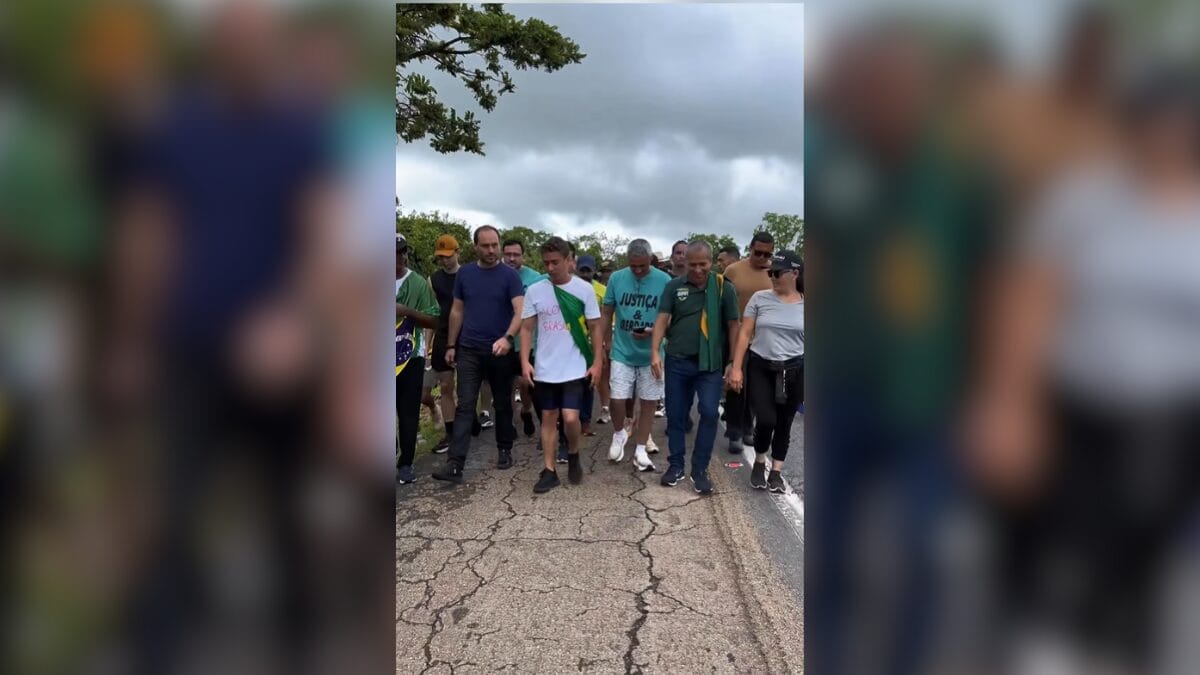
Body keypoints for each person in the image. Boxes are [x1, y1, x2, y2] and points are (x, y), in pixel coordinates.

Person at [432, 225, 524, 483]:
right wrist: (451, 345)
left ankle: (505, 448)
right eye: (486, 246)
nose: (492, 250)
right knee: (465, 405)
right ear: (476, 247)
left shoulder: (510, 276)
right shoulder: (466, 275)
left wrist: (507, 338)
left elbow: (520, 312)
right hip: (469, 349)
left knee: (503, 402)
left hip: (500, 350)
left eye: (495, 245)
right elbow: (457, 311)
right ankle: (455, 463)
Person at [650, 241, 739, 494]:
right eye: (693, 264)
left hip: (710, 365)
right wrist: (655, 351)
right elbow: (661, 319)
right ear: (685, 262)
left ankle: (700, 469)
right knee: (676, 416)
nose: (698, 269)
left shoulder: (723, 288)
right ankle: (676, 465)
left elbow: (734, 325)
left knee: (710, 413)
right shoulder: (673, 287)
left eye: (703, 264)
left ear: (710, 262)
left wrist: (733, 362)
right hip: (678, 361)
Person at [519, 237, 603, 493]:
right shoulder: (535, 290)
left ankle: (574, 452)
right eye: (546, 263)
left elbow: (595, 328)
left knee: (570, 418)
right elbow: (526, 328)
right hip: (545, 367)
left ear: (569, 261)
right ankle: (549, 470)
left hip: (575, 366)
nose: (550, 268)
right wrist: (525, 361)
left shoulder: (584, 290)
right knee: (548, 416)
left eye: (556, 262)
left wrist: (598, 362)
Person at [727, 251, 803, 492]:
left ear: (794, 274)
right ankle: (760, 462)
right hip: (762, 365)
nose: (772, 277)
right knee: (767, 419)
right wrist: (736, 367)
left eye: (777, 273)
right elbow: (745, 333)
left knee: (785, 421)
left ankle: (776, 472)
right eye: (770, 272)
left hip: (796, 368)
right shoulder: (760, 298)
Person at [601, 239, 670, 472]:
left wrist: (655, 333)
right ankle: (620, 432)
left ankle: (640, 447)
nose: (638, 271)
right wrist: (606, 341)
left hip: (652, 352)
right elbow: (607, 310)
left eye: (642, 266)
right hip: (622, 349)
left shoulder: (664, 280)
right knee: (618, 398)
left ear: (651, 260)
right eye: (633, 266)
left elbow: (669, 316)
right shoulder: (617, 278)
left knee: (649, 401)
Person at [722, 232, 776, 453]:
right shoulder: (732, 271)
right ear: (750, 248)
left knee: (756, 388)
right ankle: (734, 431)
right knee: (736, 384)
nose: (762, 258)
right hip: (736, 335)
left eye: (767, 254)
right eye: (758, 252)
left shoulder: (774, 273)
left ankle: (747, 427)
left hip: (763, 338)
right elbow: (722, 303)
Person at [396, 234, 440, 484]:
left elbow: (433, 319)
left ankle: (406, 463)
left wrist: (407, 313)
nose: (399, 256)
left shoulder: (418, 284)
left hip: (410, 355)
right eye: (394, 252)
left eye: (403, 252)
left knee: (408, 411)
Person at [503, 238, 543, 436]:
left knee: (528, 383)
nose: (511, 258)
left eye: (516, 255)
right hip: (503, 339)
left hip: (529, 341)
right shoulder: (496, 275)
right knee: (507, 383)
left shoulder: (536, 278)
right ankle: (509, 423)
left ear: (523, 256)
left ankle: (527, 410)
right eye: (508, 254)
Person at [427, 233, 461, 452]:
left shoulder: (468, 275)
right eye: (441, 257)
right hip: (442, 336)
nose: (445, 260)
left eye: (449, 256)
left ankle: (470, 422)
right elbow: (431, 314)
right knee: (446, 386)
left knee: (468, 387)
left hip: (466, 336)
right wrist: (427, 345)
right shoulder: (433, 280)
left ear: (457, 253)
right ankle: (450, 432)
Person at [575, 254, 611, 430]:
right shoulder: (568, 288)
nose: (584, 274)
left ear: (594, 271)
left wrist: (603, 345)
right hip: (572, 342)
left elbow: (605, 321)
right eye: (581, 270)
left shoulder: (602, 292)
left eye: (588, 270)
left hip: (592, 343)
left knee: (588, 382)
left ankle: (585, 421)